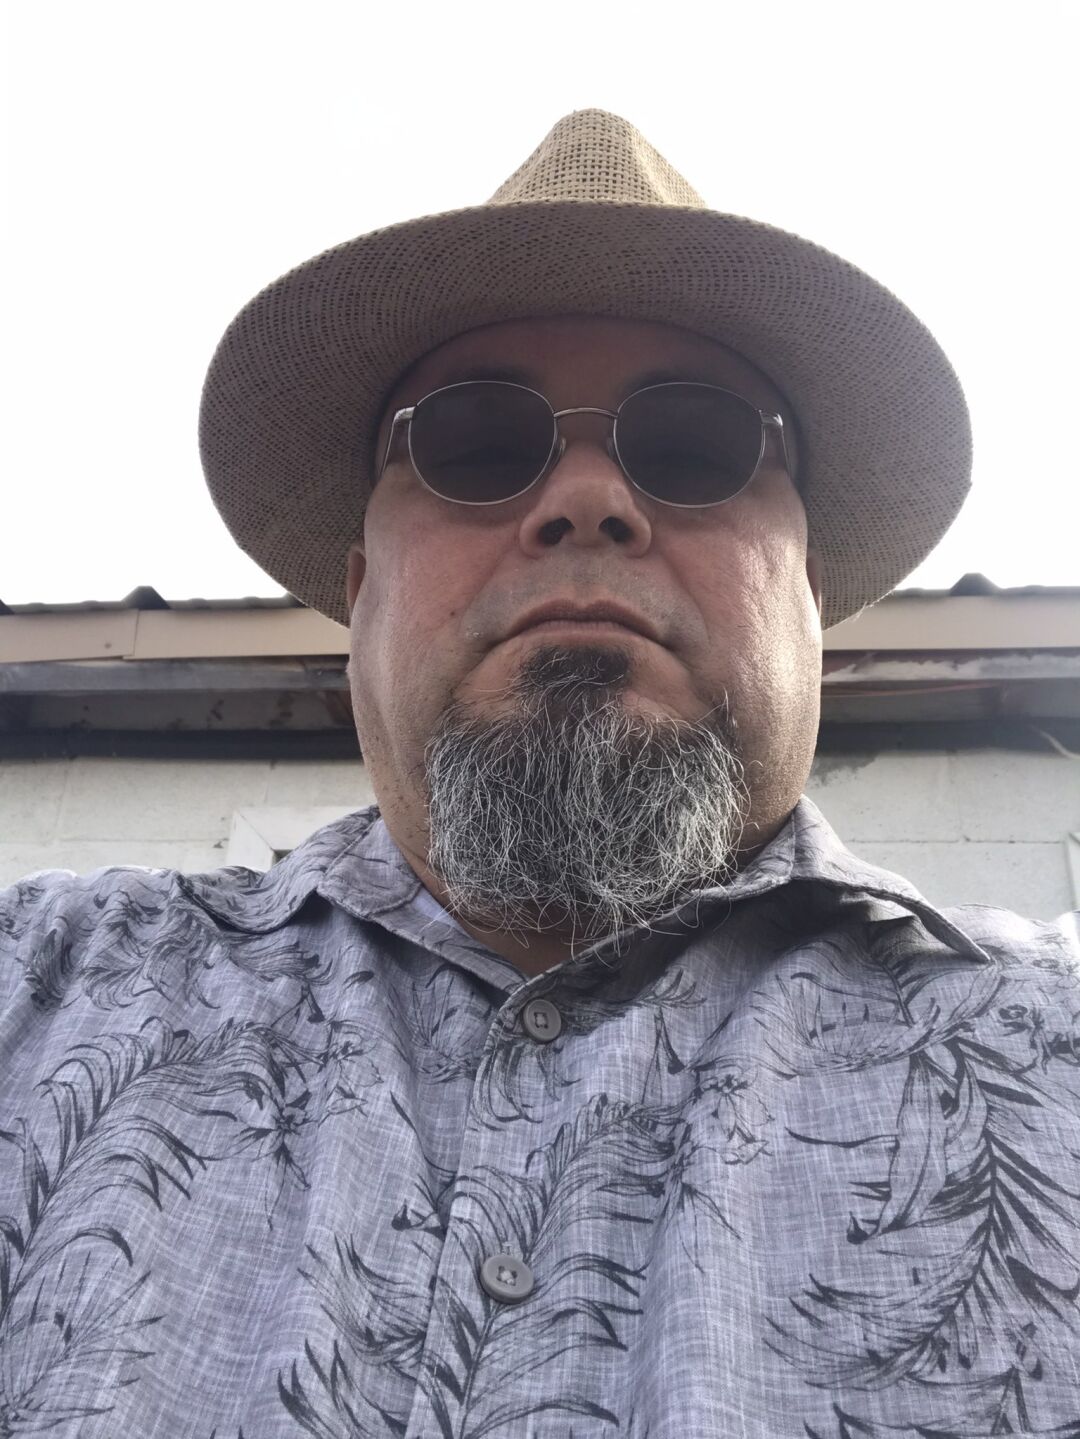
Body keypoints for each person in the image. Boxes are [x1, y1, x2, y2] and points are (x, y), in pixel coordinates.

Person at [1, 110, 1078, 1438]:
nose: (585, 499)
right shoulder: (33, 997)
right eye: (471, 443)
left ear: (808, 593)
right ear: (361, 593)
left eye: (696, 445)